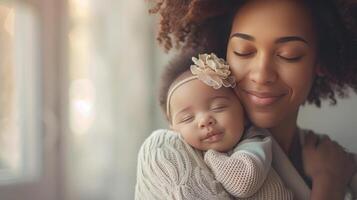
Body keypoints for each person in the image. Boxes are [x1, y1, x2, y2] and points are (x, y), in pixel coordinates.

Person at [136, 0, 357, 199]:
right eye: (243, 52)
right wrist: (329, 186)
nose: (261, 75)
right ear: (224, 55)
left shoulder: (338, 160)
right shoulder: (167, 152)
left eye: (289, 54)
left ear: (320, 62)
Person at [164, 52, 293, 198]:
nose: (205, 121)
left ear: (243, 113)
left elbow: (242, 183)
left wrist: (209, 155)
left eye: (218, 107)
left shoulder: (254, 142)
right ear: (174, 130)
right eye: (188, 118)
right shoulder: (176, 153)